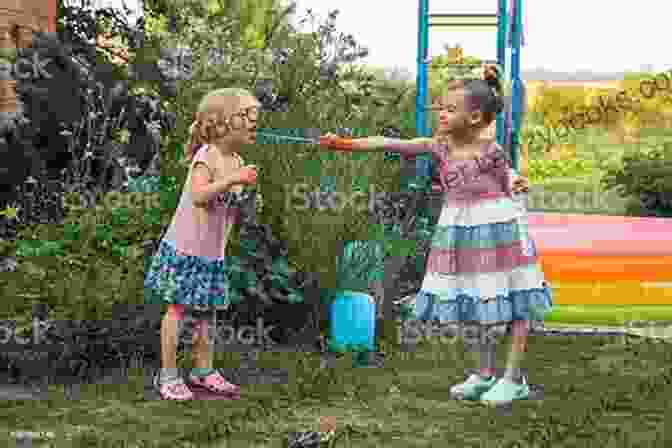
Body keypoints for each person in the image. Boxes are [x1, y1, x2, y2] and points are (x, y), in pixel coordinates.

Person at [320, 69, 552, 405]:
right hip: (459, 230)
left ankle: (513, 378)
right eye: (440, 108)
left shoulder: (491, 149)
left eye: (449, 109)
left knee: (514, 298)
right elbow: (390, 143)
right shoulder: (438, 146)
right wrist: (346, 144)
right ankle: (483, 374)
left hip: (498, 231)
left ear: (474, 117)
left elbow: (506, 180)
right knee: (471, 299)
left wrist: (516, 182)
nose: (441, 114)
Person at [144, 88, 259, 400]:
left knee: (208, 313)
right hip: (186, 249)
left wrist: (246, 198)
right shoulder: (206, 156)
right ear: (223, 123)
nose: (255, 122)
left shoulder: (236, 160)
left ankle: (202, 371)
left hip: (211, 253)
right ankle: (167, 376)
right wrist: (232, 181)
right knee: (178, 310)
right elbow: (199, 195)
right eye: (247, 115)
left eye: (255, 116)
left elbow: (228, 205)